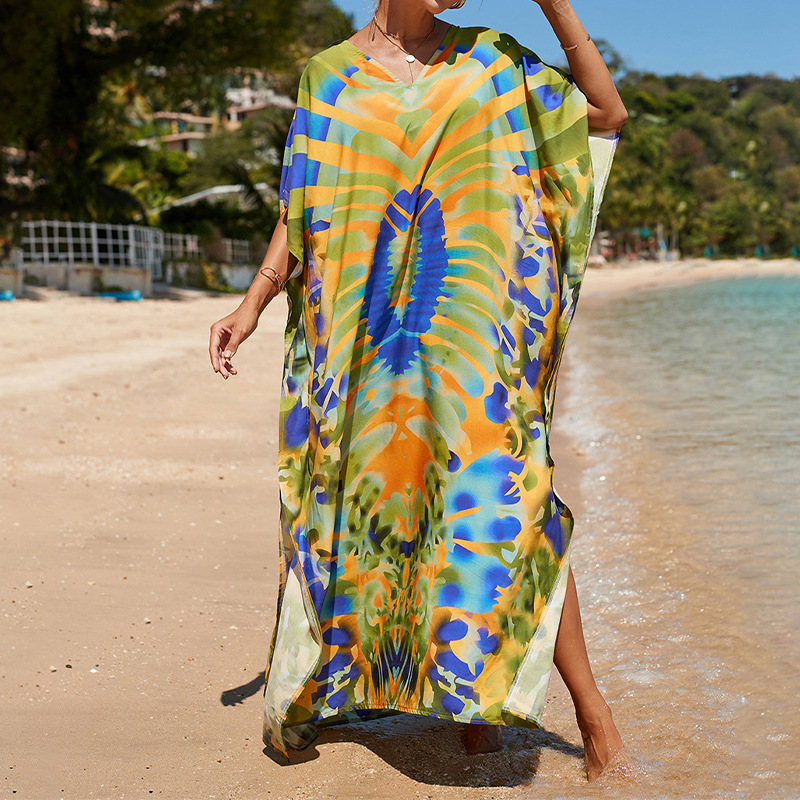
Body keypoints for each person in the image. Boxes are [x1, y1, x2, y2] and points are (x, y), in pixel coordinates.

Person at [209, 0, 629, 782]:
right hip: (366, 340)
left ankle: (594, 717)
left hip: (475, 334)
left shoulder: (493, 61)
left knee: (512, 504)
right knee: (398, 512)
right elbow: (302, 208)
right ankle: (469, 709)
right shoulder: (328, 78)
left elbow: (604, 115)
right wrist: (255, 301)